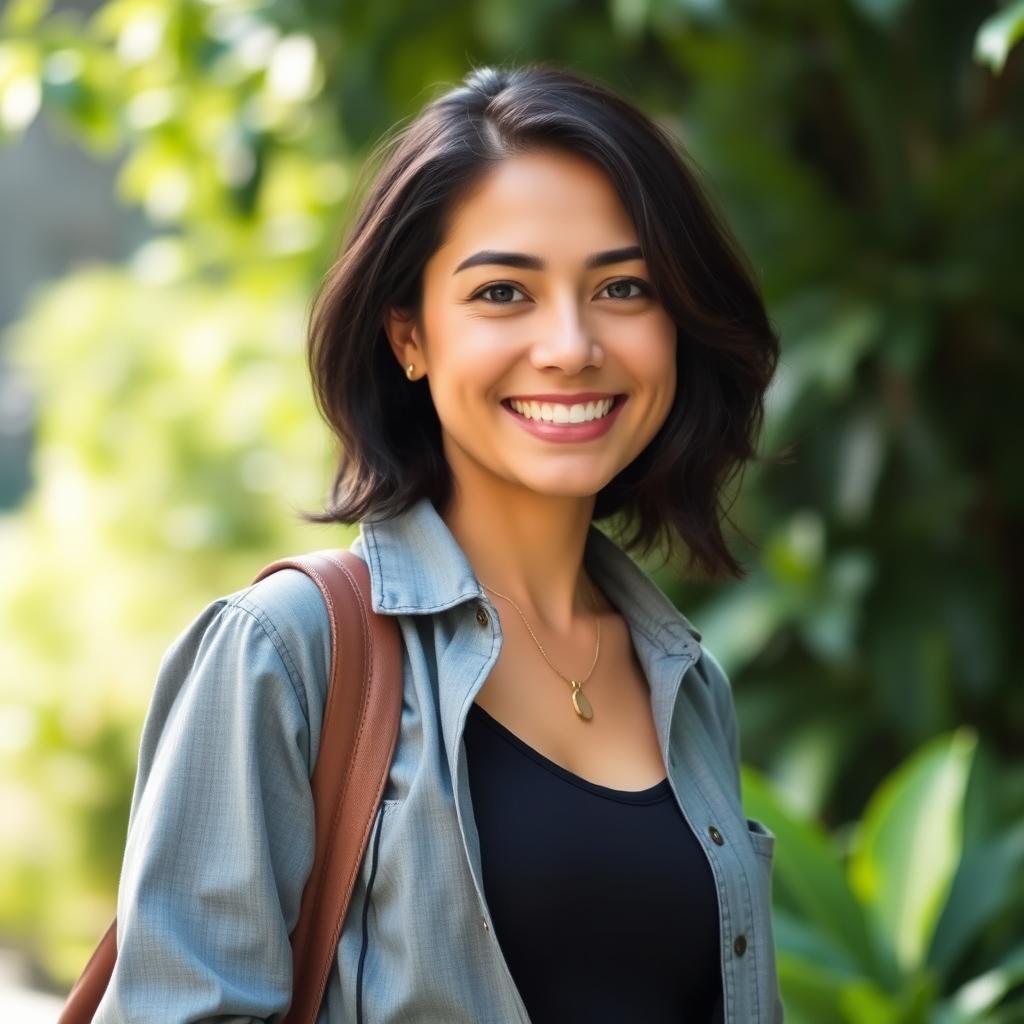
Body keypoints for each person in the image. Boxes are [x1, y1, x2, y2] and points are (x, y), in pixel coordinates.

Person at [95, 61, 784, 1023]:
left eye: (624, 287)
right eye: (504, 293)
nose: (571, 345)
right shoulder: (287, 654)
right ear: (409, 336)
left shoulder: (685, 683)